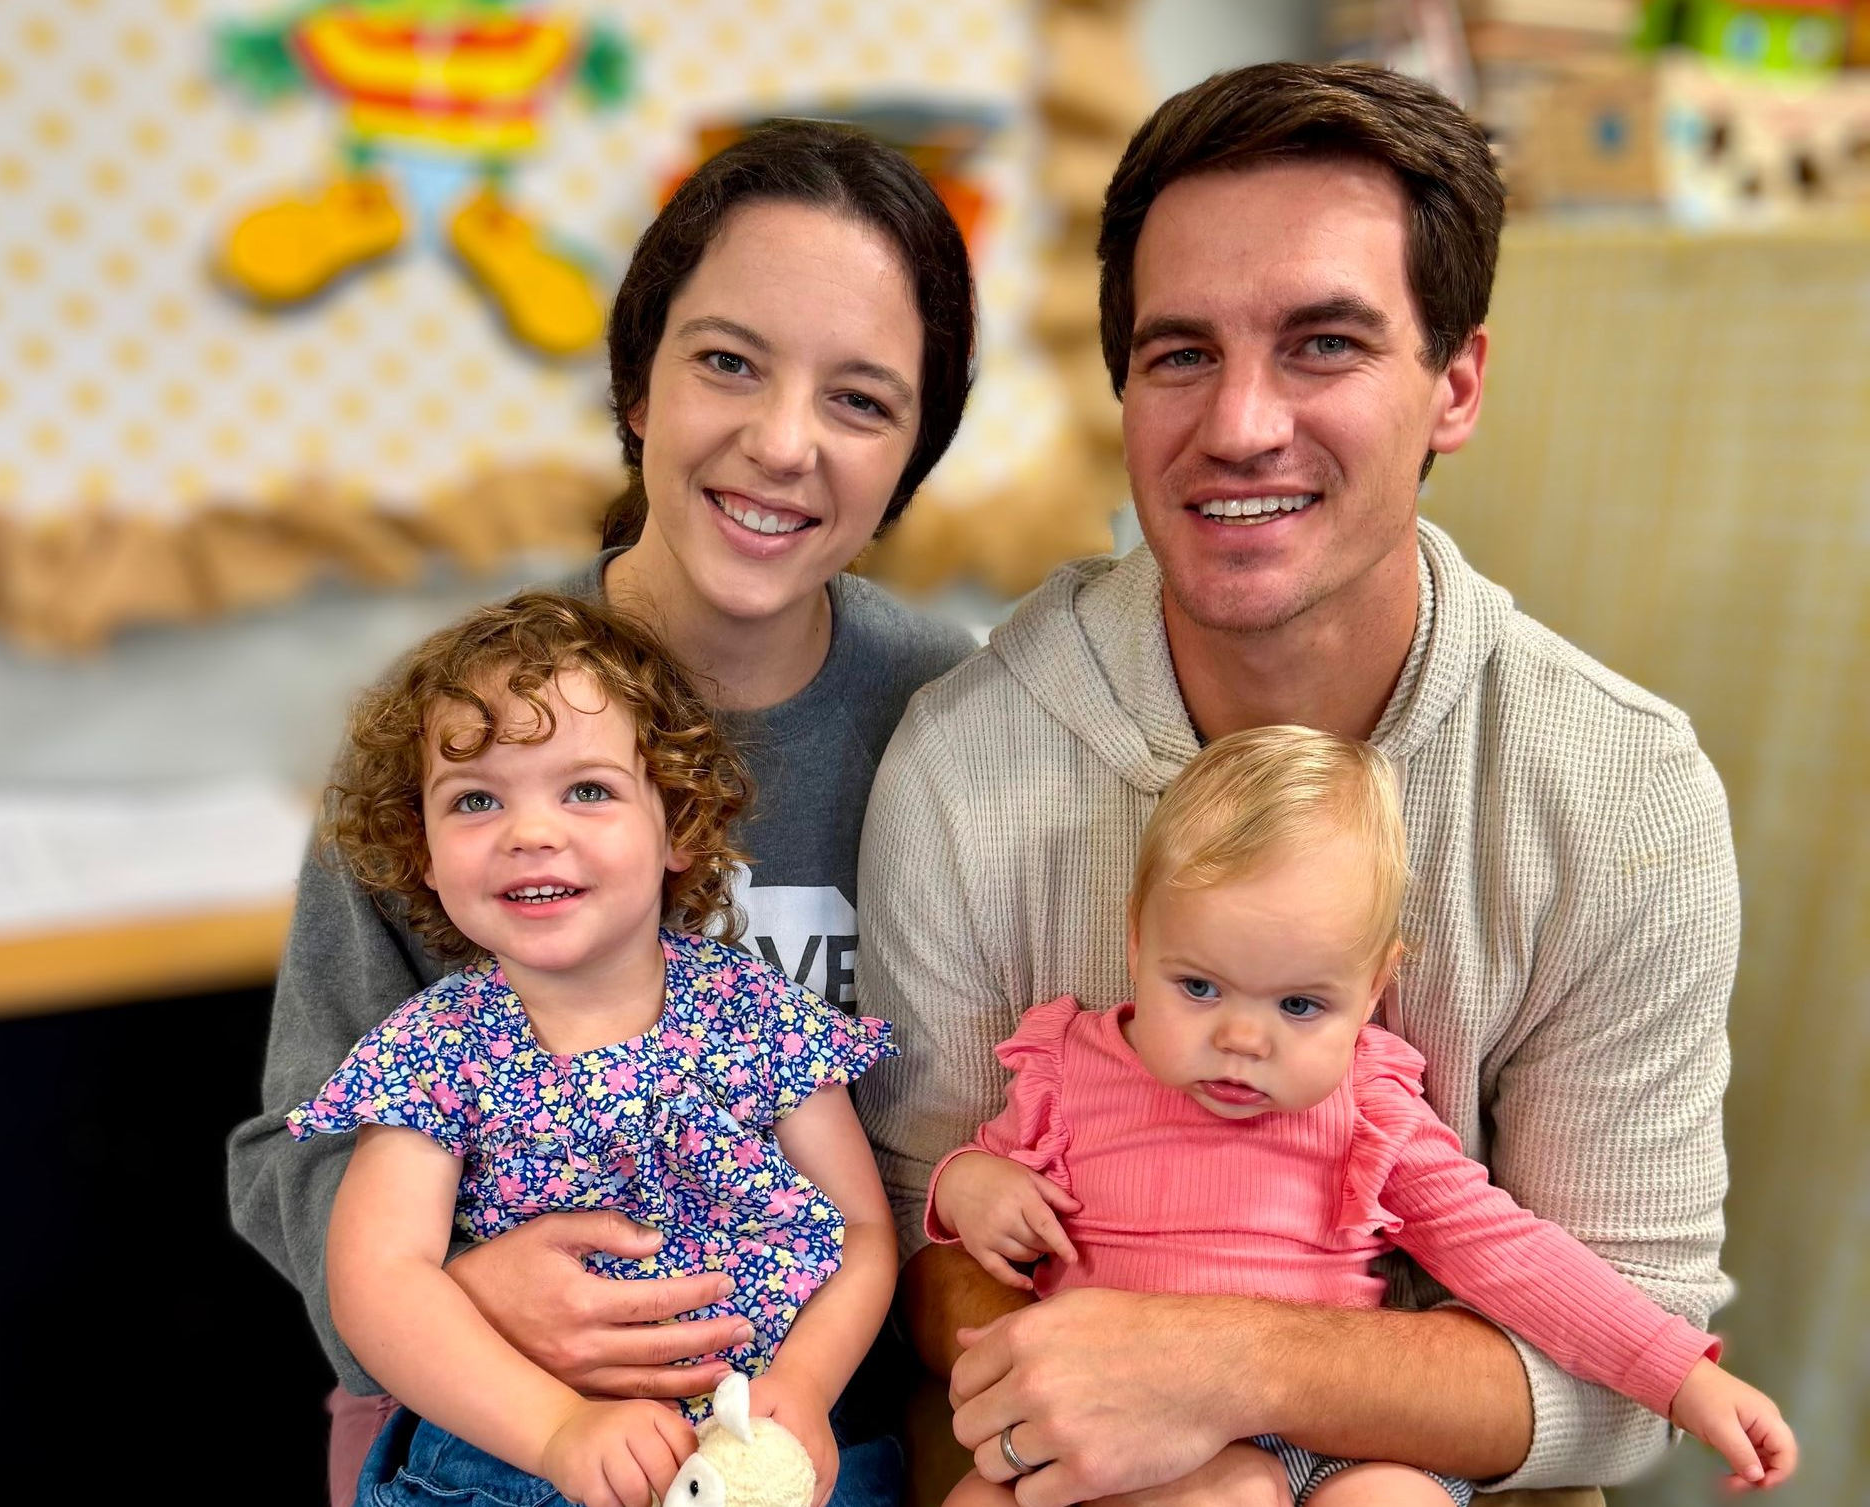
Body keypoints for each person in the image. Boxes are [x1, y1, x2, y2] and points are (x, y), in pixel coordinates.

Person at [853, 62, 1740, 1504]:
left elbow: (1628, 1355)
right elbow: (918, 1235)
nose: (1242, 424)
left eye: (1323, 342)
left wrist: (1230, 1364)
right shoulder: (967, 763)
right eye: (1180, 352)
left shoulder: (1620, 795)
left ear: (1455, 384)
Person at [226, 119, 979, 1506]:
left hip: (835, 1442)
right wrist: (459, 1292)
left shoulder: (959, 716)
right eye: (727, 362)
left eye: (863, 400)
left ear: (914, 451)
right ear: (638, 384)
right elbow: (290, 1147)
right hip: (483, 1430)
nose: (781, 442)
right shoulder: (457, 725)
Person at [925, 726, 1794, 1507]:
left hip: (1332, 1444)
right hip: (1117, 1424)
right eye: (1198, 987)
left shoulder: (1368, 1112)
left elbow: (1515, 1255)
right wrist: (969, 1184)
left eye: (1300, 1005)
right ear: (1137, 944)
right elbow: (968, 1184)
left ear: (1374, 988)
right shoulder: (1070, 1071)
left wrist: (1679, 1375)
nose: (1240, 1038)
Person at [288, 590, 900, 1507]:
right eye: (476, 799)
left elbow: (863, 1232)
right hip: (515, 1454)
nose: (531, 832)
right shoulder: (433, 1049)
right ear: (423, 849)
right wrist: (557, 1429)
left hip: (757, 1440)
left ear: (680, 828)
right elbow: (378, 1283)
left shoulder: (760, 1013)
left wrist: (805, 1388)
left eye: (588, 790)